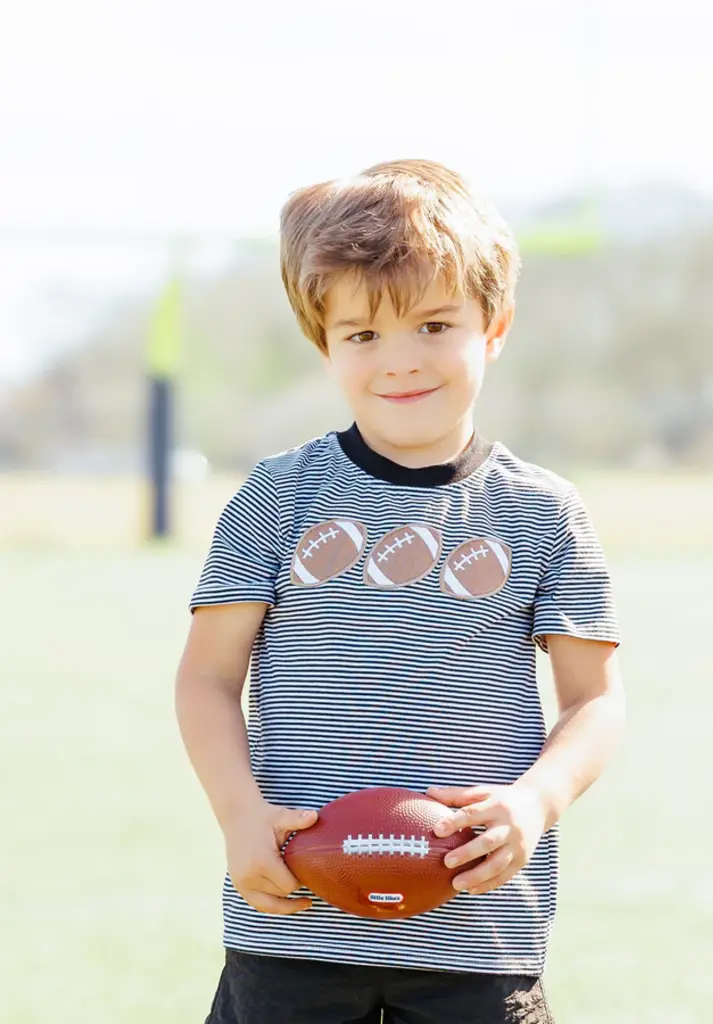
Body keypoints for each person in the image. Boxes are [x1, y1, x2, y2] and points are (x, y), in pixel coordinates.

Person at [175, 158, 626, 1024]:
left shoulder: (544, 511)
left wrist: (535, 802)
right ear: (325, 344)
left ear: (494, 326)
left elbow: (594, 700)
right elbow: (206, 677)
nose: (401, 361)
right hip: (294, 923)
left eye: (434, 324)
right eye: (363, 335)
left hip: (477, 931)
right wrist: (239, 814)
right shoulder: (278, 495)